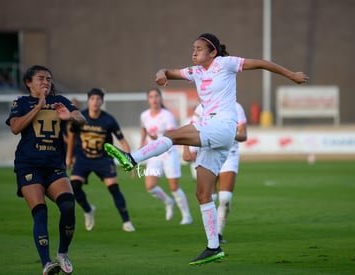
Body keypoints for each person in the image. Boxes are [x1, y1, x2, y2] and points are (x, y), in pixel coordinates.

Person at [103, 32, 308, 265]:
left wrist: (291, 75)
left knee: (172, 134)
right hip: (213, 130)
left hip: (222, 126)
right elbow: (167, 72)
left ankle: (132, 158)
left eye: (199, 49)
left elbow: (260, 63)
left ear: (212, 53)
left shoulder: (225, 64)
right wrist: (161, 74)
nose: (194, 52)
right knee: (202, 192)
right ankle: (213, 247)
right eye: (193, 48)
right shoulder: (195, 71)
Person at [6, 65, 86, 275]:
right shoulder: (21, 103)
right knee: (40, 212)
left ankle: (62, 252)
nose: (46, 82)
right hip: (29, 165)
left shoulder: (60, 101)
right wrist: (38, 106)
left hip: (54, 166)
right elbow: (15, 128)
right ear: (28, 82)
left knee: (68, 206)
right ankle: (46, 263)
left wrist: (71, 117)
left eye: (49, 79)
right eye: (41, 78)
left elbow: (81, 119)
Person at [66, 88, 136, 232]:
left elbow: (122, 141)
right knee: (74, 187)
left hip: (103, 159)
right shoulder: (80, 117)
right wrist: (69, 156)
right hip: (83, 158)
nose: (95, 102)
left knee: (114, 188)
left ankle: (126, 222)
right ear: (88, 101)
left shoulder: (108, 119)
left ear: (102, 102)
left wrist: (130, 161)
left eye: (98, 99)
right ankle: (88, 209)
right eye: (92, 99)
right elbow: (71, 135)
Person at [183, 102, 248, 244]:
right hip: (209, 154)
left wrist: (228, 135)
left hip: (229, 155)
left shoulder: (236, 107)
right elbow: (191, 129)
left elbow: (243, 135)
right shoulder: (202, 107)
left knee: (225, 199)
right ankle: (212, 238)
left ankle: (218, 233)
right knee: (209, 197)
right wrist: (187, 150)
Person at [139, 88, 193, 225]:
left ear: (160, 98)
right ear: (148, 100)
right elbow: (143, 129)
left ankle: (187, 216)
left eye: (156, 96)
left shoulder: (167, 115)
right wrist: (142, 144)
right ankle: (168, 201)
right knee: (150, 186)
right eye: (151, 96)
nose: (154, 99)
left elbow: (171, 135)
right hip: (154, 156)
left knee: (174, 187)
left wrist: (156, 137)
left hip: (168, 154)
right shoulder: (144, 115)